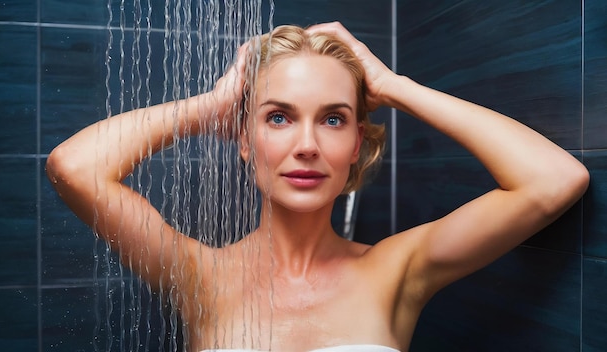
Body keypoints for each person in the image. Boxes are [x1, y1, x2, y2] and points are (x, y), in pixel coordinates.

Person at [46, 22, 589, 352]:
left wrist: (392, 87)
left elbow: (553, 181)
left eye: (333, 119)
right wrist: (213, 105)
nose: (307, 145)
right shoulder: (196, 275)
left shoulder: (397, 269)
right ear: (244, 139)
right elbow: (73, 167)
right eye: (278, 118)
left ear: (356, 144)